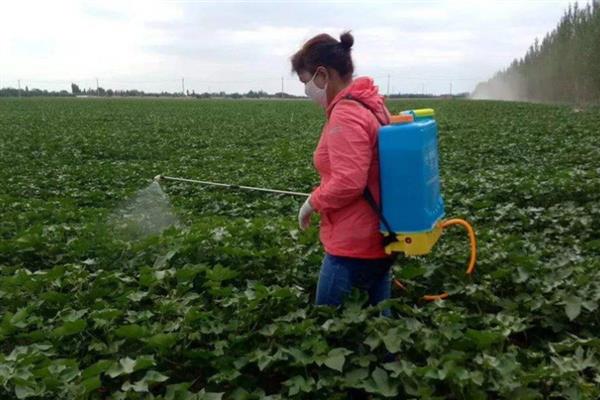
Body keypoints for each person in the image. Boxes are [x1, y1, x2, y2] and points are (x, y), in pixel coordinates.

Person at [290, 31, 395, 314]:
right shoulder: (370, 104)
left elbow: (348, 181)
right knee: (380, 330)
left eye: (306, 81)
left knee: (329, 328)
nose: (307, 91)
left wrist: (312, 202)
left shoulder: (346, 115)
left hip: (352, 244)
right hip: (378, 236)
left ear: (322, 75)